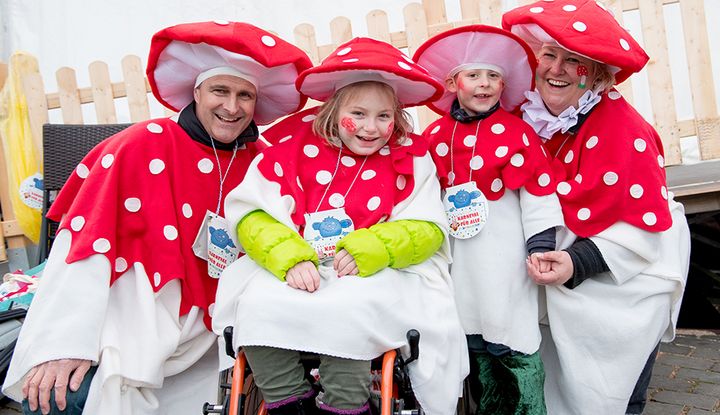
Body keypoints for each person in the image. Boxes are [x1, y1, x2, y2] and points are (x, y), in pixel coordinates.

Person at [2, 21, 312, 415]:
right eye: (220, 90)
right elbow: (81, 245)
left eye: (244, 95)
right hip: (126, 317)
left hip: (212, 336)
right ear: (196, 92)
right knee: (61, 396)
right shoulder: (140, 144)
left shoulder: (261, 162)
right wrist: (64, 342)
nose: (232, 107)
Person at [212, 37, 469, 415]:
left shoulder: (410, 155)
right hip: (295, 265)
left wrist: (379, 246)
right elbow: (252, 215)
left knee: (352, 307)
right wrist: (288, 256)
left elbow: (428, 226)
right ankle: (289, 402)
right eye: (359, 114)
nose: (371, 127)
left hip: (369, 270)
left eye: (384, 116)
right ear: (333, 111)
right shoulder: (291, 144)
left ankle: (345, 404)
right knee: (255, 305)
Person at [502, 1, 691, 414]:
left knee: (615, 393)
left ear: (600, 75)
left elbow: (642, 228)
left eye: (575, 61)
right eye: (550, 55)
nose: (556, 69)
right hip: (552, 269)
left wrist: (576, 262)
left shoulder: (627, 131)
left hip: (625, 277)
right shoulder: (520, 116)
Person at [413, 25, 564, 414]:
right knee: (471, 335)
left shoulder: (518, 133)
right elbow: (421, 193)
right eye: (474, 75)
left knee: (510, 332)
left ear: (504, 85)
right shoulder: (434, 136)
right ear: (452, 82)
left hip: (504, 250)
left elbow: (537, 190)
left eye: (493, 76)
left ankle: (527, 407)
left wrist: (540, 243)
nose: (484, 85)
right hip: (458, 254)